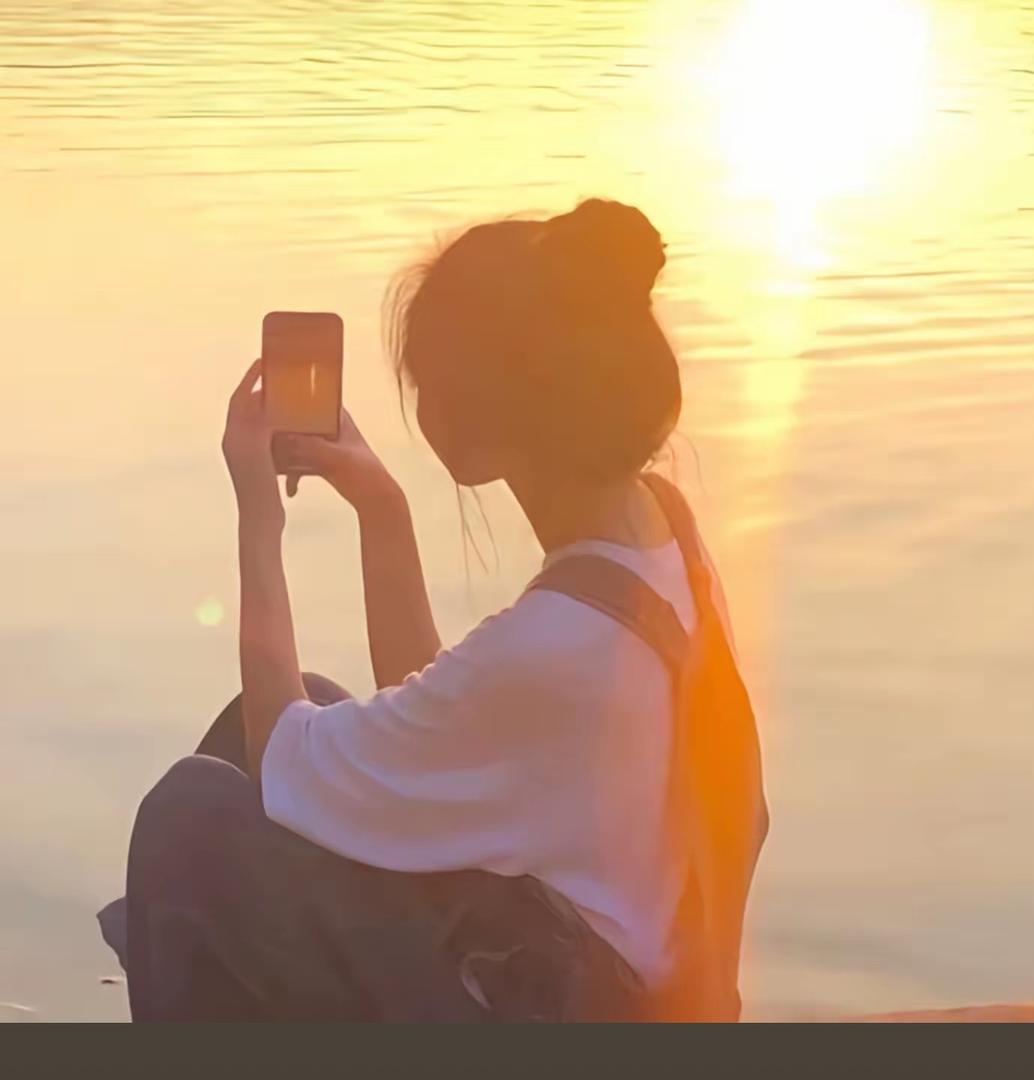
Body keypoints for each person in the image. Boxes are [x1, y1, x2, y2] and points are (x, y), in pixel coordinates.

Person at [99, 198, 768, 1022]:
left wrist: (258, 516)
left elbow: (280, 756)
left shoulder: (560, 645)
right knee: (284, 716)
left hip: (561, 1008)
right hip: (605, 981)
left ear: (468, 419)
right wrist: (381, 507)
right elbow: (455, 722)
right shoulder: (666, 540)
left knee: (192, 814)